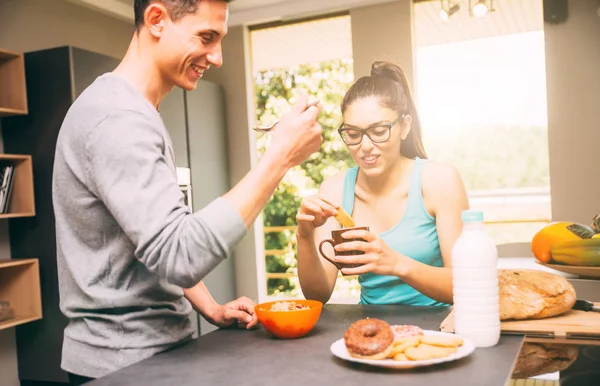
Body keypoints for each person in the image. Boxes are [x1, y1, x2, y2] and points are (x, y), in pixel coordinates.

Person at [52, 0, 322, 384]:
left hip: (151, 353)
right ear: (156, 19)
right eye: (206, 37)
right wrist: (278, 159)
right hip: (124, 366)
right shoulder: (117, 120)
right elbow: (180, 254)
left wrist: (210, 307)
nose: (217, 57)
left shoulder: (136, 111)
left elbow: (156, 239)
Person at [296, 61, 469, 306]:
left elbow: (465, 286)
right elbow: (317, 295)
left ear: (404, 126)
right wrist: (304, 236)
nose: (365, 146)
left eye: (378, 131)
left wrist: (396, 263)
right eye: (353, 135)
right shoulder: (334, 190)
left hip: (438, 330)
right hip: (370, 329)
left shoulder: (440, 180)